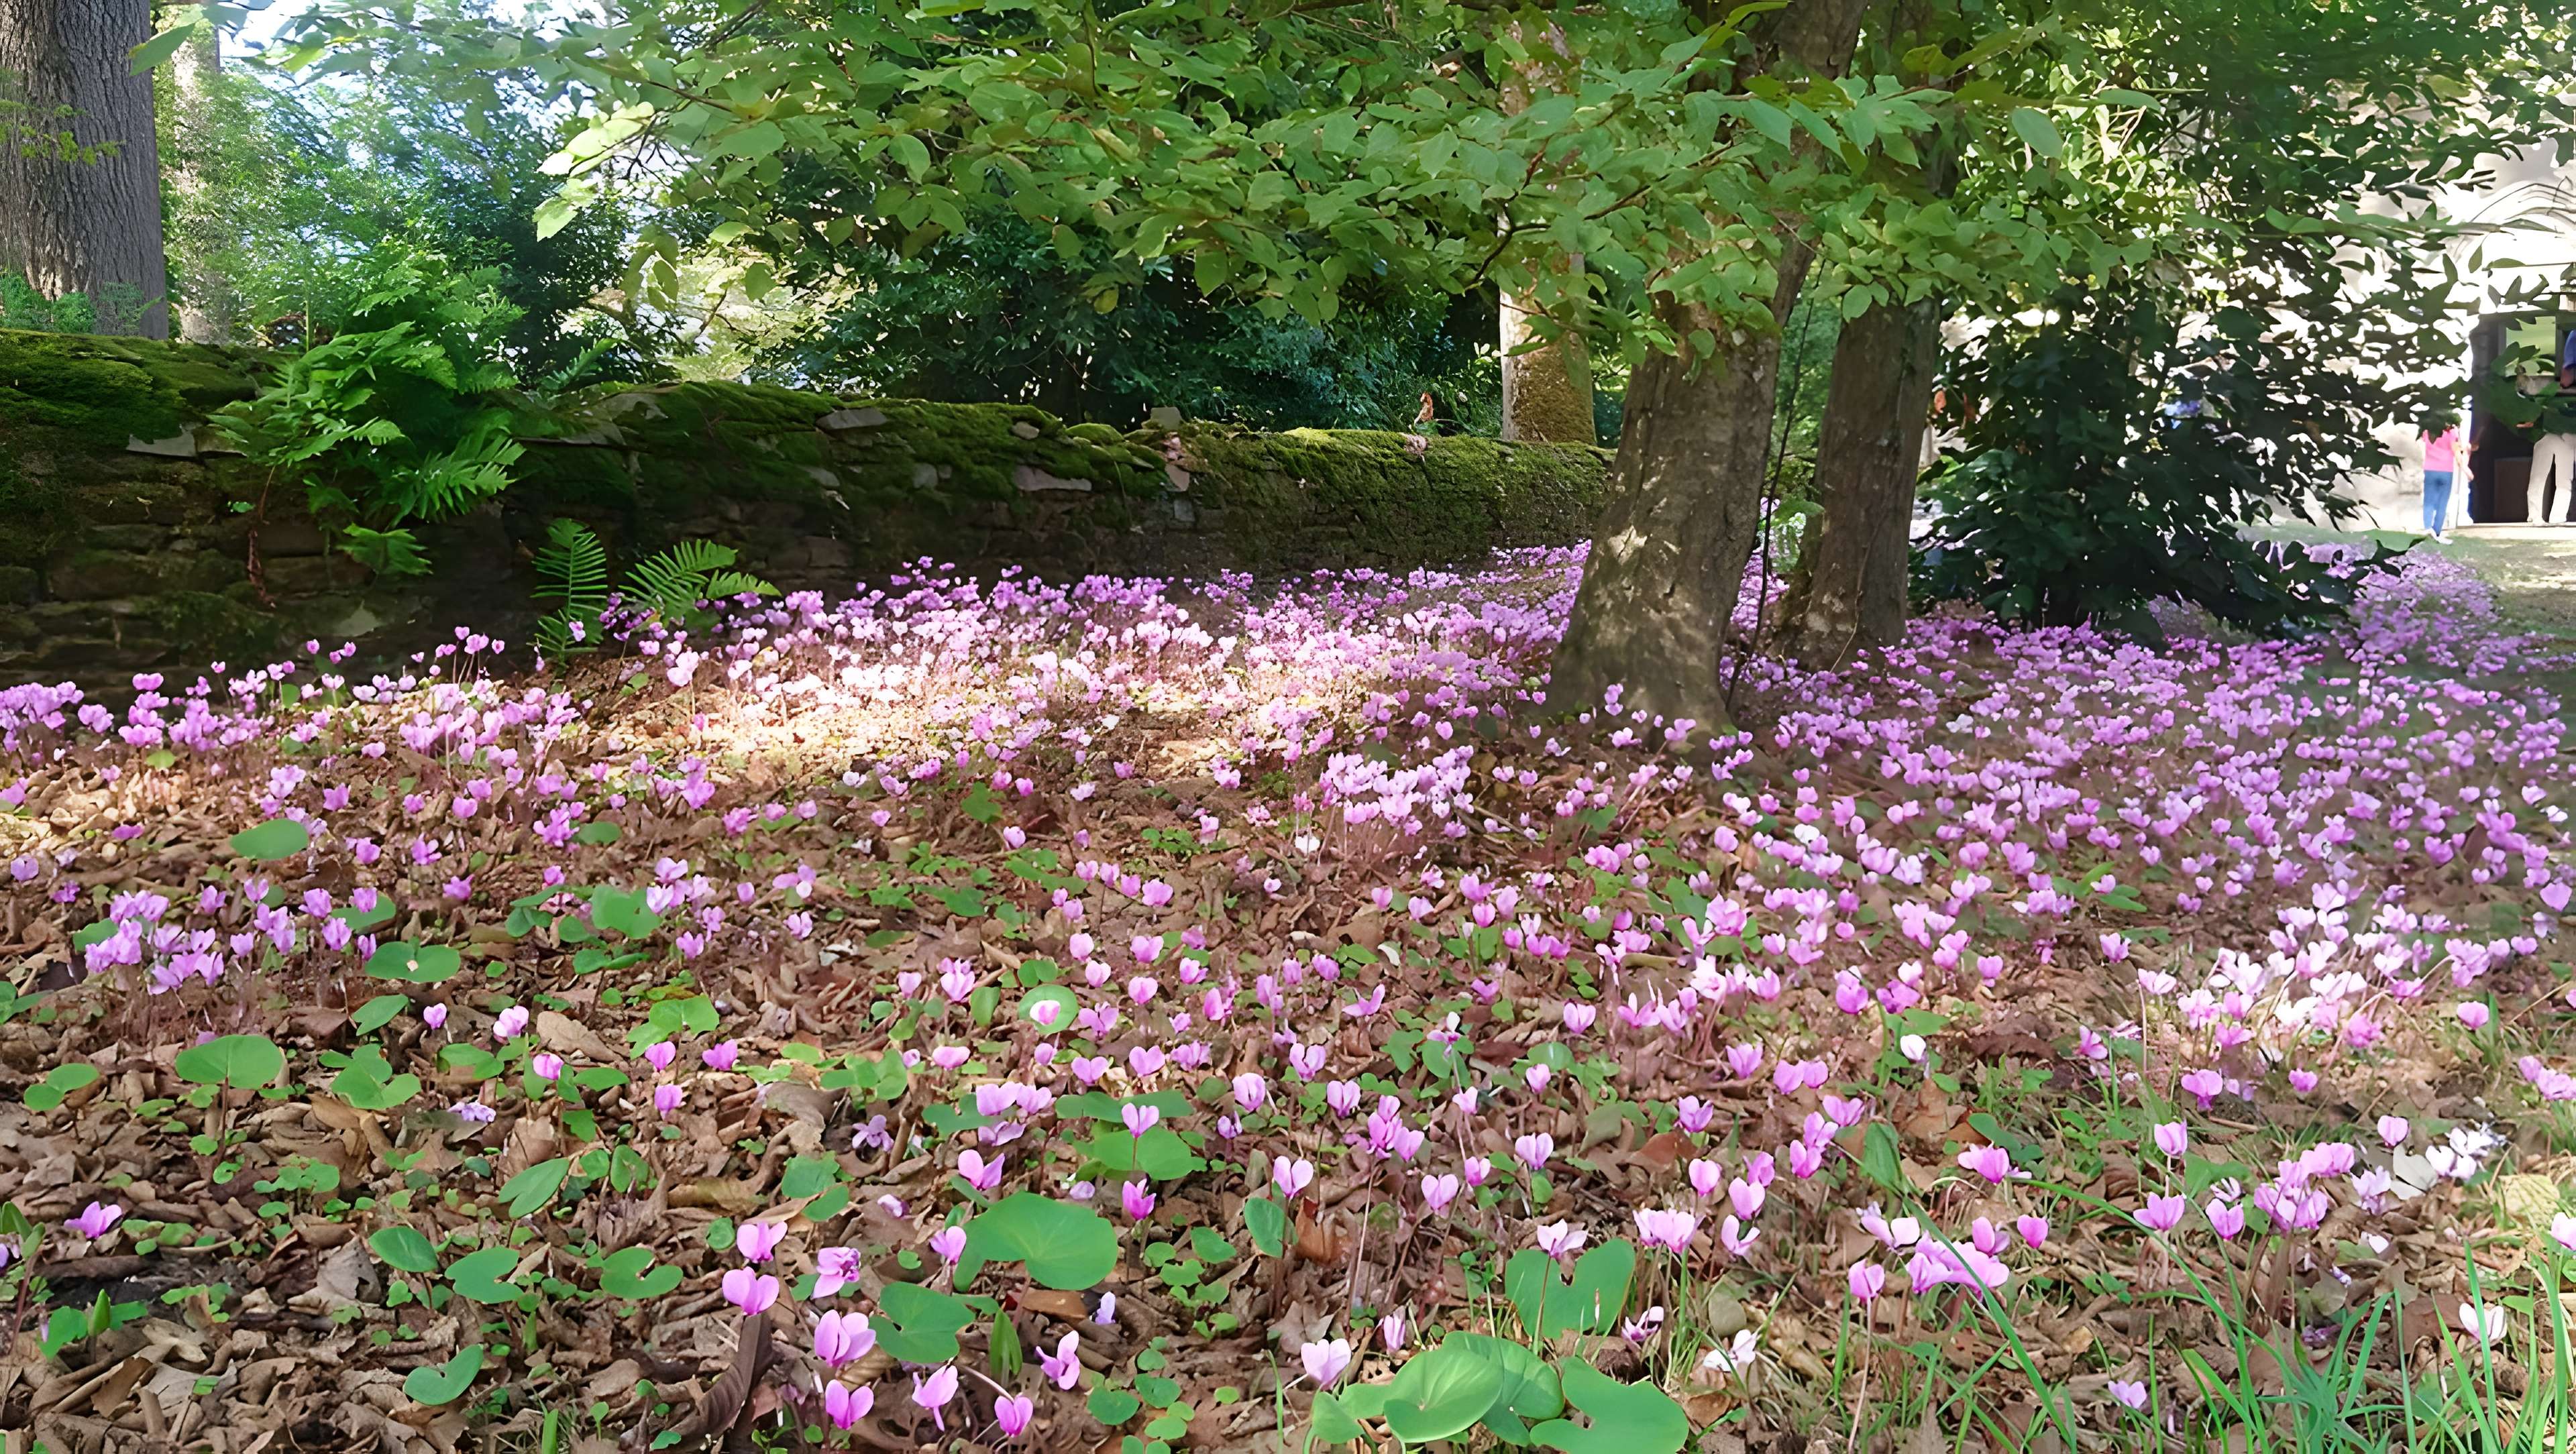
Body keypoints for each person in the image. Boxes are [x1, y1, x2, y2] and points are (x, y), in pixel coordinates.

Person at [2420, 414, 2460, 537]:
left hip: (2430, 469)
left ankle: (2428, 529)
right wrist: (2465, 467)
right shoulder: (2452, 432)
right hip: (2446, 471)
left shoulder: (2427, 431)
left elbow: (2424, 442)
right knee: (2442, 503)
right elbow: (2456, 450)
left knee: (2428, 502)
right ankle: (2437, 532)